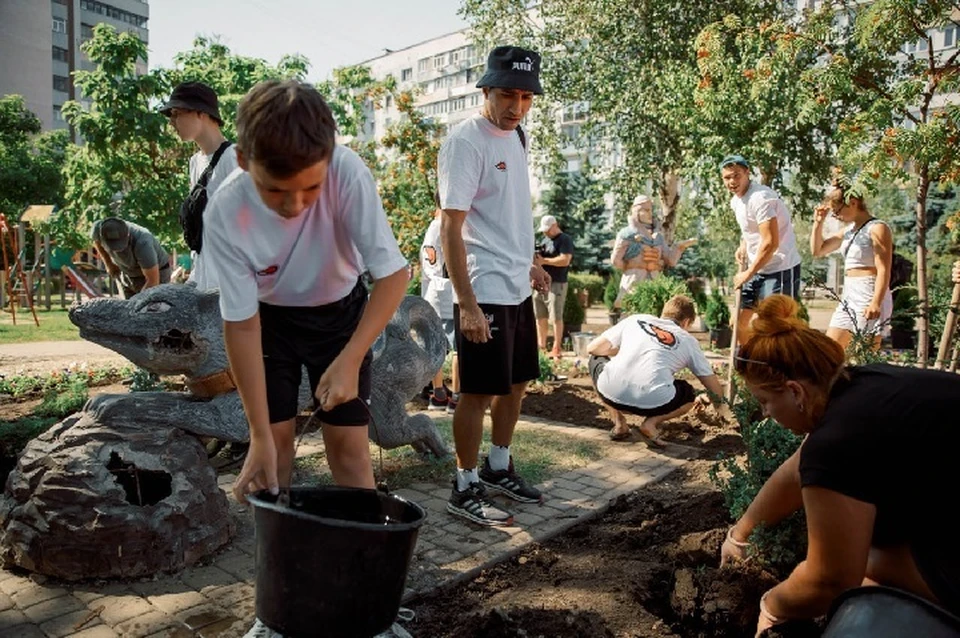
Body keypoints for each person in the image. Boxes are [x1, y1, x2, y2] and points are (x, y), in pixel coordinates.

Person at [201, 79, 408, 502]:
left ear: (329, 161)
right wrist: (256, 435)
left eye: (311, 189)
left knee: (349, 450)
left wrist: (351, 359)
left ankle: (361, 557)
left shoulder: (347, 172)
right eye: (275, 190)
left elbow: (393, 276)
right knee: (272, 455)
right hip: (269, 323)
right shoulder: (225, 209)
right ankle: (281, 558)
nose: (293, 206)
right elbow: (240, 326)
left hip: (340, 320)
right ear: (242, 161)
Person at [721, 294, 960, 636]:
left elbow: (830, 579)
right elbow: (797, 468)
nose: (767, 414)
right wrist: (740, 534)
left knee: (869, 565)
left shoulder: (836, 439)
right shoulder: (863, 385)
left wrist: (772, 605)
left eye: (765, 402)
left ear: (795, 392)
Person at [438, 45, 552, 526]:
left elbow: (510, 212)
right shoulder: (466, 141)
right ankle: (463, 485)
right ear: (485, 88)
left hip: (516, 286)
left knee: (517, 383)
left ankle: (497, 465)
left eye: (527, 98)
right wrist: (465, 303)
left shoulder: (518, 136)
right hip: (481, 287)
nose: (517, 107)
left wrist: (531, 261)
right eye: (508, 95)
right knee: (478, 392)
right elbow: (450, 227)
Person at [586, 295, 724, 443]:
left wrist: (624, 350)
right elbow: (714, 389)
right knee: (689, 393)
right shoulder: (688, 340)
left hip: (611, 394)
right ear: (686, 322)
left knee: (595, 359)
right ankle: (650, 423)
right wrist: (721, 411)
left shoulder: (636, 319)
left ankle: (619, 424)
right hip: (653, 405)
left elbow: (593, 348)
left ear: (663, 314)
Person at [161, 81, 239, 290]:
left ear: (201, 113)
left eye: (176, 113)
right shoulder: (195, 163)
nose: (172, 122)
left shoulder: (234, 159)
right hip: (204, 282)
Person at [719, 155, 801, 344]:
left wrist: (748, 273)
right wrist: (744, 245)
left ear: (747, 173)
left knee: (775, 327)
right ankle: (752, 363)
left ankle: (780, 368)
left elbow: (771, 243)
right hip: (756, 268)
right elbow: (751, 229)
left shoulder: (761, 198)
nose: (732, 181)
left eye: (737, 176)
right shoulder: (736, 201)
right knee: (737, 321)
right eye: (727, 177)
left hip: (779, 268)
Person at [811, 182, 893, 350]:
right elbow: (818, 250)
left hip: (869, 290)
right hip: (849, 294)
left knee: (864, 354)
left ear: (853, 203)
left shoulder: (877, 228)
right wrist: (818, 223)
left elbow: (883, 268)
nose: (836, 216)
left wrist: (876, 303)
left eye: (837, 211)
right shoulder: (848, 231)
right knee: (829, 350)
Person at [611, 195, 695, 308]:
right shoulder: (627, 234)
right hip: (634, 280)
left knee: (654, 313)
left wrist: (679, 247)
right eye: (645, 210)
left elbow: (671, 260)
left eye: (650, 210)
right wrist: (633, 265)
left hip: (655, 281)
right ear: (636, 211)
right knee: (631, 312)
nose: (650, 213)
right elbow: (616, 261)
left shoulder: (657, 237)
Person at [420, 191, 460, 414]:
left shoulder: (431, 227)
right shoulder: (446, 226)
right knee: (459, 350)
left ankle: (438, 394)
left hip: (434, 295)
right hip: (448, 295)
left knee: (437, 347)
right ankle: (456, 397)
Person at [91, 217, 171, 298]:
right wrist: (109, 263)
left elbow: (153, 281)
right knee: (126, 307)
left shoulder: (143, 243)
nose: (118, 251)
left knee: (150, 307)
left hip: (155, 274)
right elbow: (97, 242)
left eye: (121, 247)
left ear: (128, 235)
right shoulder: (99, 229)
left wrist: (136, 303)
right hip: (126, 273)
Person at [533, 214, 574, 358]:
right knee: (540, 316)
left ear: (555, 226)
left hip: (557, 283)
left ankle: (557, 348)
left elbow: (565, 260)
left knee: (556, 317)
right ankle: (542, 346)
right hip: (540, 284)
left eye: (547, 230)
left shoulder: (564, 240)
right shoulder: (545, 240)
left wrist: (544, 261)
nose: (545, 233)